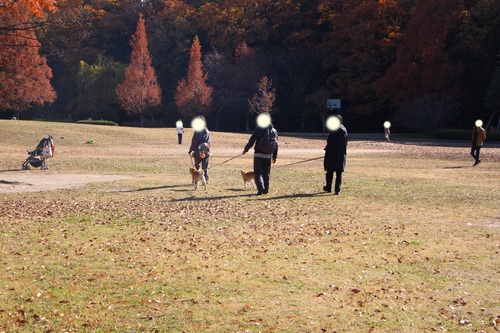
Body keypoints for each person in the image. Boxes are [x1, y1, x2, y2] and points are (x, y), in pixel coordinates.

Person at [243, 113, 278, 195]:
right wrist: (275, 156)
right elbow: (276, 144)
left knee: (258, 173)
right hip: (268, 155)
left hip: (258, 154)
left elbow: (252, 140)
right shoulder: (274, 131)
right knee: (266, 173)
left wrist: (246, 149)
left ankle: (260, 189)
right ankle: (266, 189)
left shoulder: (258, 128)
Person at [323, 114, 347, 195]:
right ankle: (337, 190)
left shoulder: (334, 130)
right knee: (339, 173)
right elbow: (345, 143)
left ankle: (328, 187)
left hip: (332, 154)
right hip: (341, 154)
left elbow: (331, 142)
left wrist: (327, 149)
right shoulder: (344, 130)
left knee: (329, 172)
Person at [189, 116, 211, 183]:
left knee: (197, 166)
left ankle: (196, 179)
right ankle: (205, 180)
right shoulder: (207, 131)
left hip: (198, 150)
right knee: (205, 166)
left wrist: (191, 149)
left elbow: (194, 141)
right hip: (206, 151)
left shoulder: (197, 130)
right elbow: (208, 142)